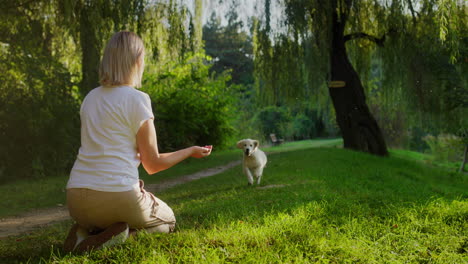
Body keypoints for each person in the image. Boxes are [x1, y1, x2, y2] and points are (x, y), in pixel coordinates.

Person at [63, 31, 212, 253]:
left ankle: (84, 233)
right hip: (116, 196)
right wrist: (190, 150)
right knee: (167, 221)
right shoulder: (137, 99)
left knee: (103, 215)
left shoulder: (90, 98)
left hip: (76, 199)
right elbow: (153, 164)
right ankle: (118, 238)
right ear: (136, 61)